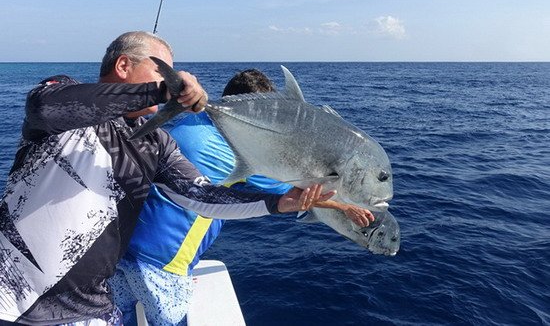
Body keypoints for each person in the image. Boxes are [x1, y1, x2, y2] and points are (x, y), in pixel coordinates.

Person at [0, 31, 334, 326]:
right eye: (162, 67)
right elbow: (46, 108)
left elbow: (201, 195)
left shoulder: (156, 141)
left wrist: (278, 203)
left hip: (89, 310)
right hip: (13, 300)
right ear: (123, 66)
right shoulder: (63, 95)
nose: (171, 77)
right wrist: (159, 93)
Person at [110, 69, 376, 326]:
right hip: (165, 258)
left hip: (119, 246)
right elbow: (290, 194)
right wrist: (344, 206)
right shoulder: (237, 152)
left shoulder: (183, 123)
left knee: (121, 316)